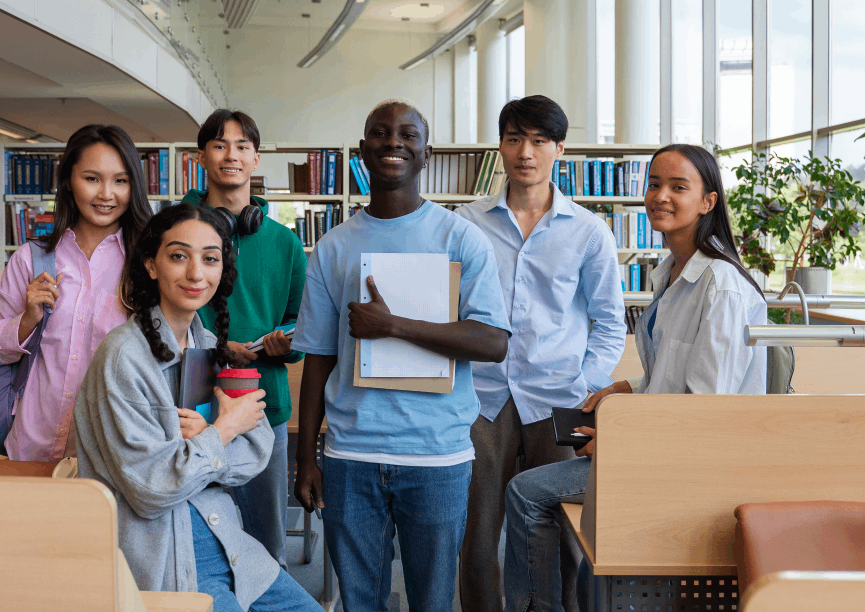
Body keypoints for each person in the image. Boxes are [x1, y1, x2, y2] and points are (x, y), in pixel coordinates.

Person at [502, 143, 768, 612]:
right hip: (660, 447)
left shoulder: (721, 287)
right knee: (587, 548)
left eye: (678, 187)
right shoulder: (669, 271)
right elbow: (675, 375)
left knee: (526, 493)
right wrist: (627, 388)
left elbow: (709, 410)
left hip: (689, 463)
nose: (659, 196)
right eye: (654, 184)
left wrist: (618, 445)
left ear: (708, 201)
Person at [292, 99, 513, 612]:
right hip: (351, 456)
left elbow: (493, 343)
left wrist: (392, 326)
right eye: (380, 133)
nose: (394, 142)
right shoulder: (333, 246)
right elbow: (319, 358)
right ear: (363, 150)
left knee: (432, 602)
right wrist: (307, 457)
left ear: (425, 153)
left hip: (436, 456)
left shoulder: (461, 239)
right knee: (359, 602)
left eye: (408, 135)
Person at [74, 203, 320, 612]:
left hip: (232, 546)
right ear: (151, 265)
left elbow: (256, 450)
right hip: (169, 561)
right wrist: (222, 431)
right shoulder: (122, 357)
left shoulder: (205, 343)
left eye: (210, 259)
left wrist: (199, 449)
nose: (195, 273)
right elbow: (152, 490)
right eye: (178, 256)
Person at [455, 95, 627, 612]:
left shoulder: (589, 231)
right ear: (501, 147)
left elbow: (609, 321)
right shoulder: (466, 224)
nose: (524, 152)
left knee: (560, 529)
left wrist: (586, 386)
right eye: (513, 139)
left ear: (559, 149)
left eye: (538, 141)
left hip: (560, 398)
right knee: (478, 532)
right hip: (482, 397)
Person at [0, 124, 152, 461]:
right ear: (68, 182)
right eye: (92, 178)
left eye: (120, 180)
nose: (106, 194)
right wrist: (27, 319)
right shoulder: (31, 260)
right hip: (32, 442)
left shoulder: (150, 264)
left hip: (113, 451)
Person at [182, 109, 306, 570]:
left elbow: (302, 324)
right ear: (200, 157)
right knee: (193, 546)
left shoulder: (284, 243)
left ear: (255, 159)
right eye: (218, 145)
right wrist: (216, 345)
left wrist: (285, 343)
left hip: (260, 408)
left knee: (266, 548)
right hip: (190, 408)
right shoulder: (179, 231)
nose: (230, 155)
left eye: (241, 146)